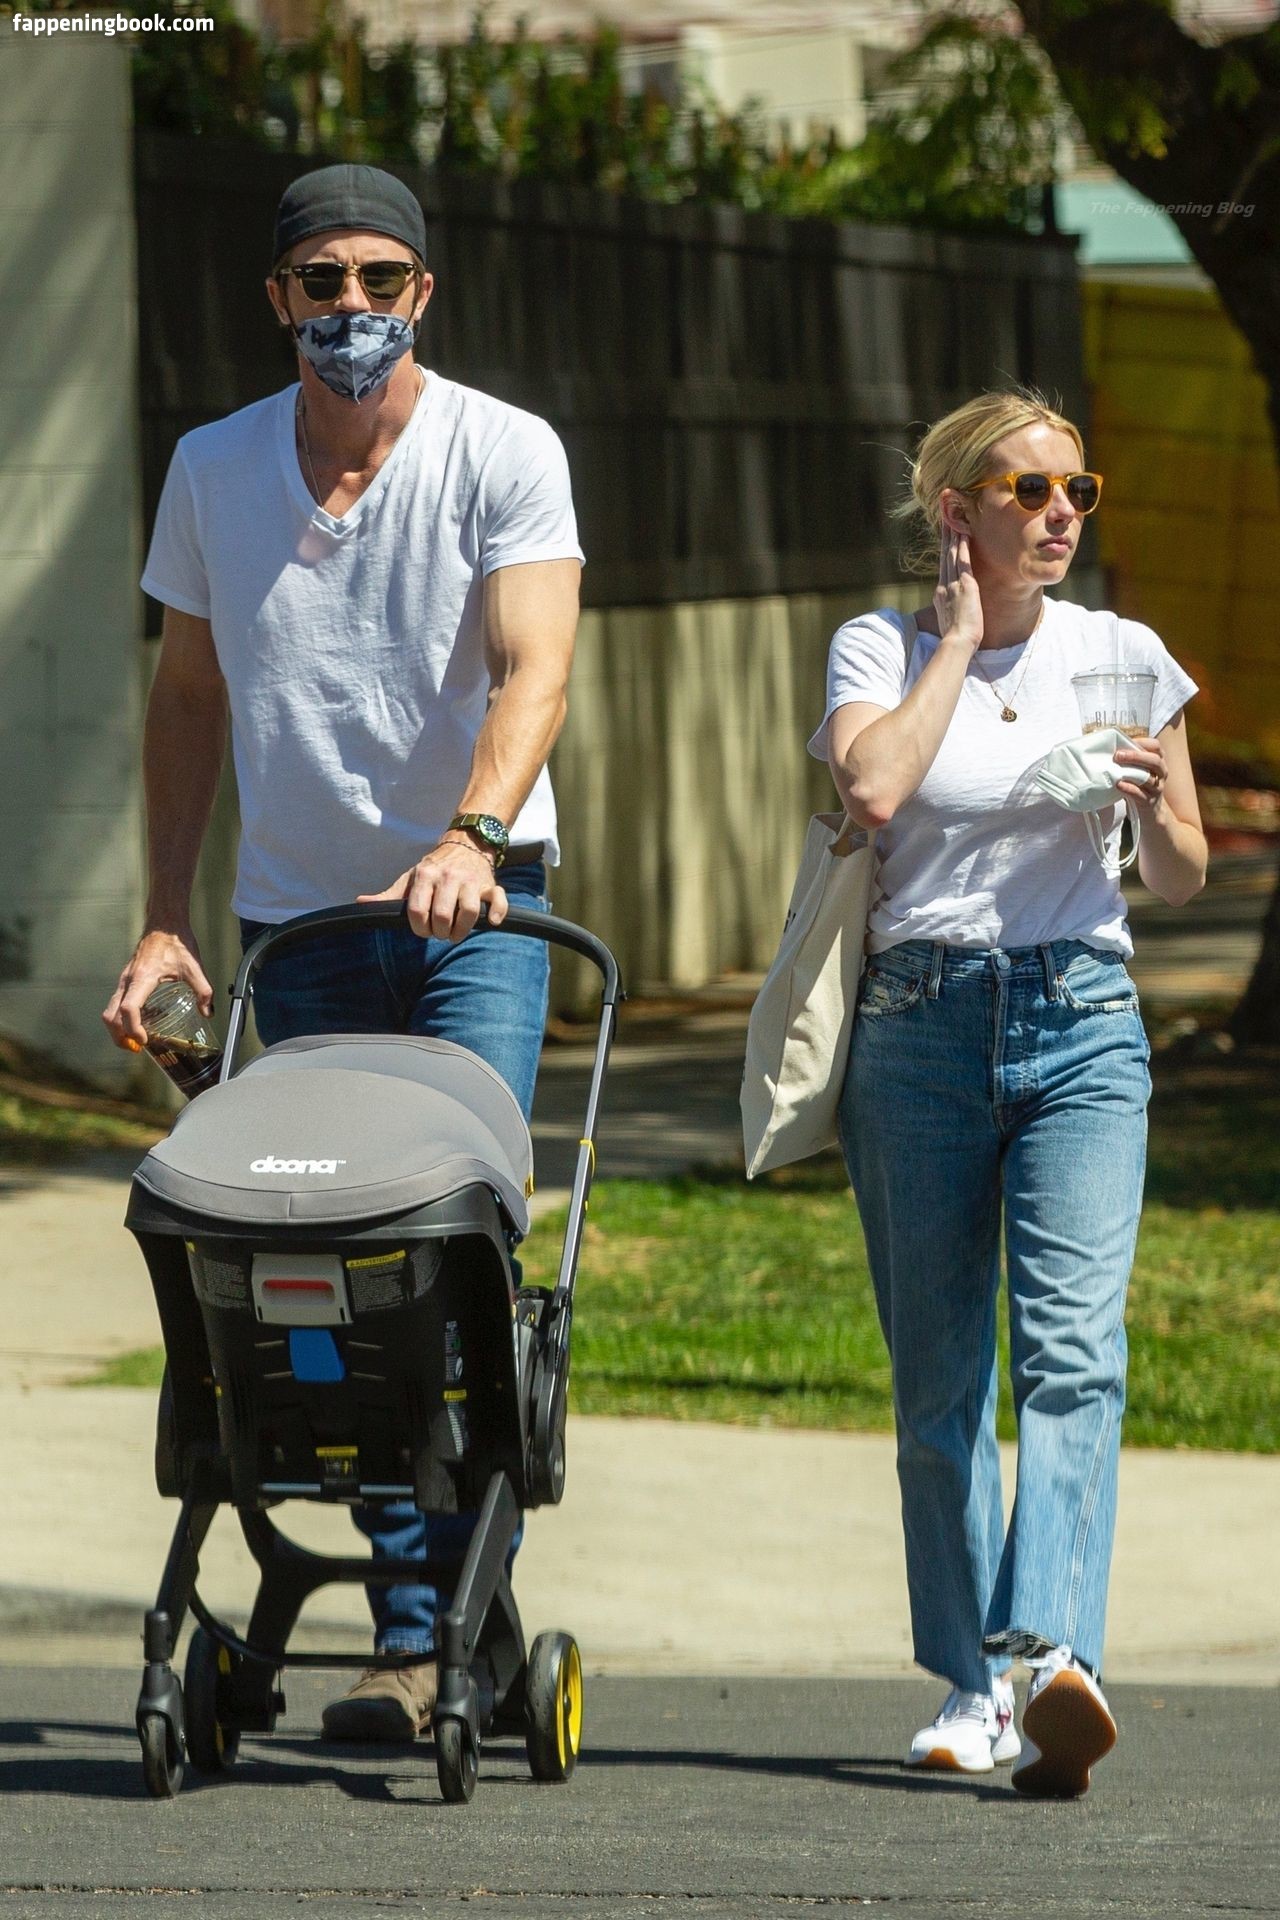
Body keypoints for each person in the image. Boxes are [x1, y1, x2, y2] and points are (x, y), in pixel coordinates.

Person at [104, 163, 583, 1743]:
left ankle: (425, 1632)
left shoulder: (502, 450)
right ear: (279, 300)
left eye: (382, 278)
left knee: (450, 1254)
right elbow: (190, 698)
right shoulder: (213, 468)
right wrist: (166, 915)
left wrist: (472, 835)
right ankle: (428, 1628)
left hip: (473, 919)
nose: (353, 306)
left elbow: (533, 668)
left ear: (423, 293)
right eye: (323, 281)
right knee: (319, 1270)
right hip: (297, 928)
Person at [809, 388, 1207, 1797]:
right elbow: (871, 789)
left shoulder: (1125, 655)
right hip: (918, 1029)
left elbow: (1182, 875)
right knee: (940, 1386)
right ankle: (972, 1684)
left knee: (1074, 1353)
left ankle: (1050, 1658)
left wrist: (1151, 805)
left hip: (1082, 1021)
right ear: (956, 510)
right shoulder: (882, 646)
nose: (1057, 516)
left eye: (1074, 492)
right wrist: (961, 641)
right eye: (1026, 491)